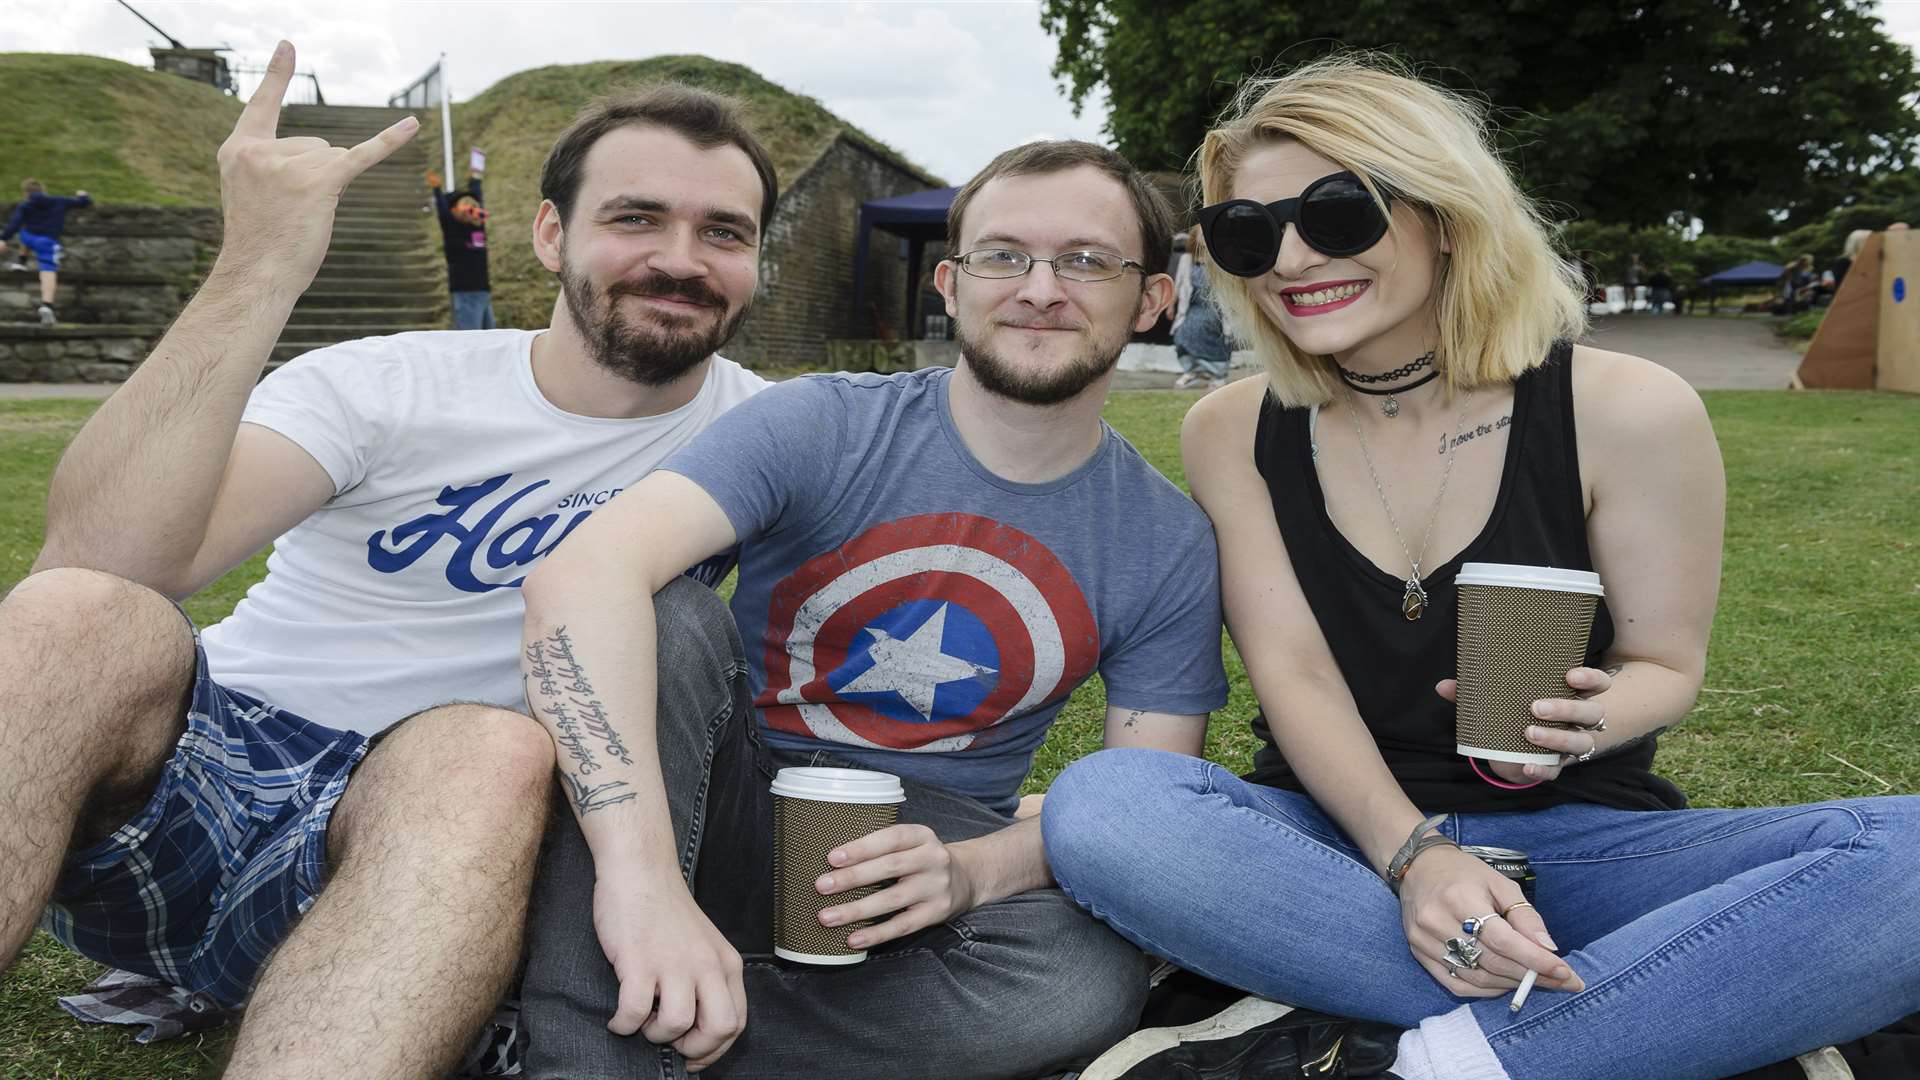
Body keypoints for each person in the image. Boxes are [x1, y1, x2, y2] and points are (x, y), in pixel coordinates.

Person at [1040, 54, 1920, 1080]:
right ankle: (1644, 1005)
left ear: (1447, 215)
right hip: (1330, 852)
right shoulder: (1231, 429)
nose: (1288, 259)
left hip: (1582, 849)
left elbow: (1663, 662)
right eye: (1247, 234)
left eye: (1336, 213)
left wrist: (1590, 717)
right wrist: (1418, 858)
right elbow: (1296, 676)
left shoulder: (1626, 409)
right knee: (1105, 805)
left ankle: (1465, 1057)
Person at [0, 42, 774, 1079]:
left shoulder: (770, 436)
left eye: (723, 231)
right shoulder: (390, 383)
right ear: (550, 234)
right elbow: (100, 562)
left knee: (490, 749)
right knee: (76, 615)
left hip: (433, 843)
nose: (679, 258)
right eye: (635, 218)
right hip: (209, 773)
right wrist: (259, 262)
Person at [516, 138, 1231, 1079]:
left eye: (1088, 260)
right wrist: (643, 880)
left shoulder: (1167, 539)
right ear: (951, 281)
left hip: (932, 839)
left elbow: (1133, 806)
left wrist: (972, 873)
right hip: (728, 794)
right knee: (672, 616)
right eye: (1003, 255)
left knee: (1085, 978)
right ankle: (584, 1051)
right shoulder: (820, 422)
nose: (1041, 288)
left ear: (1152, 301)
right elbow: (581, 574)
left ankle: (653, 1022)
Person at [1, 177, 90, 325]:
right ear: (43, 190)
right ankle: (47, 305)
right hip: (47, 242)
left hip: (29, 238)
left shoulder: (26, 205)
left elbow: (14, 224)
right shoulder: (59, 201)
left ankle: (22, 261)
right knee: (48, 271)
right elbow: (83, 203)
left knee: (25, 231)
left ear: (26, 193)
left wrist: (3, 239)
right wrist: (83, 194)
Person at [428, 164, 496, 329]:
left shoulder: (477, 227)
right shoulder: (452, 227)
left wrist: (475, 178)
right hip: (465, 292)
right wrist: (437, 190)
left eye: (472, 206)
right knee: (470, 339)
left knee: (491, 337)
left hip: (483, 291)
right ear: (454, 211)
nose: (470, 209)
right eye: (464, 206)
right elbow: (444, 212)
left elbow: (478, 198)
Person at [1172, 224, 1234, 389]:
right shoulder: (1187, 259)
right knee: (1181, 334)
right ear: (1194, 237)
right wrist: (1171, 305)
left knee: (1211, 332)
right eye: (1201, 234)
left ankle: (1218, 374)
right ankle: (1192, 371)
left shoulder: (1220, 259)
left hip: (1215, 309)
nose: (1205, 238)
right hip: (1193, 307)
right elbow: (1178, 284)